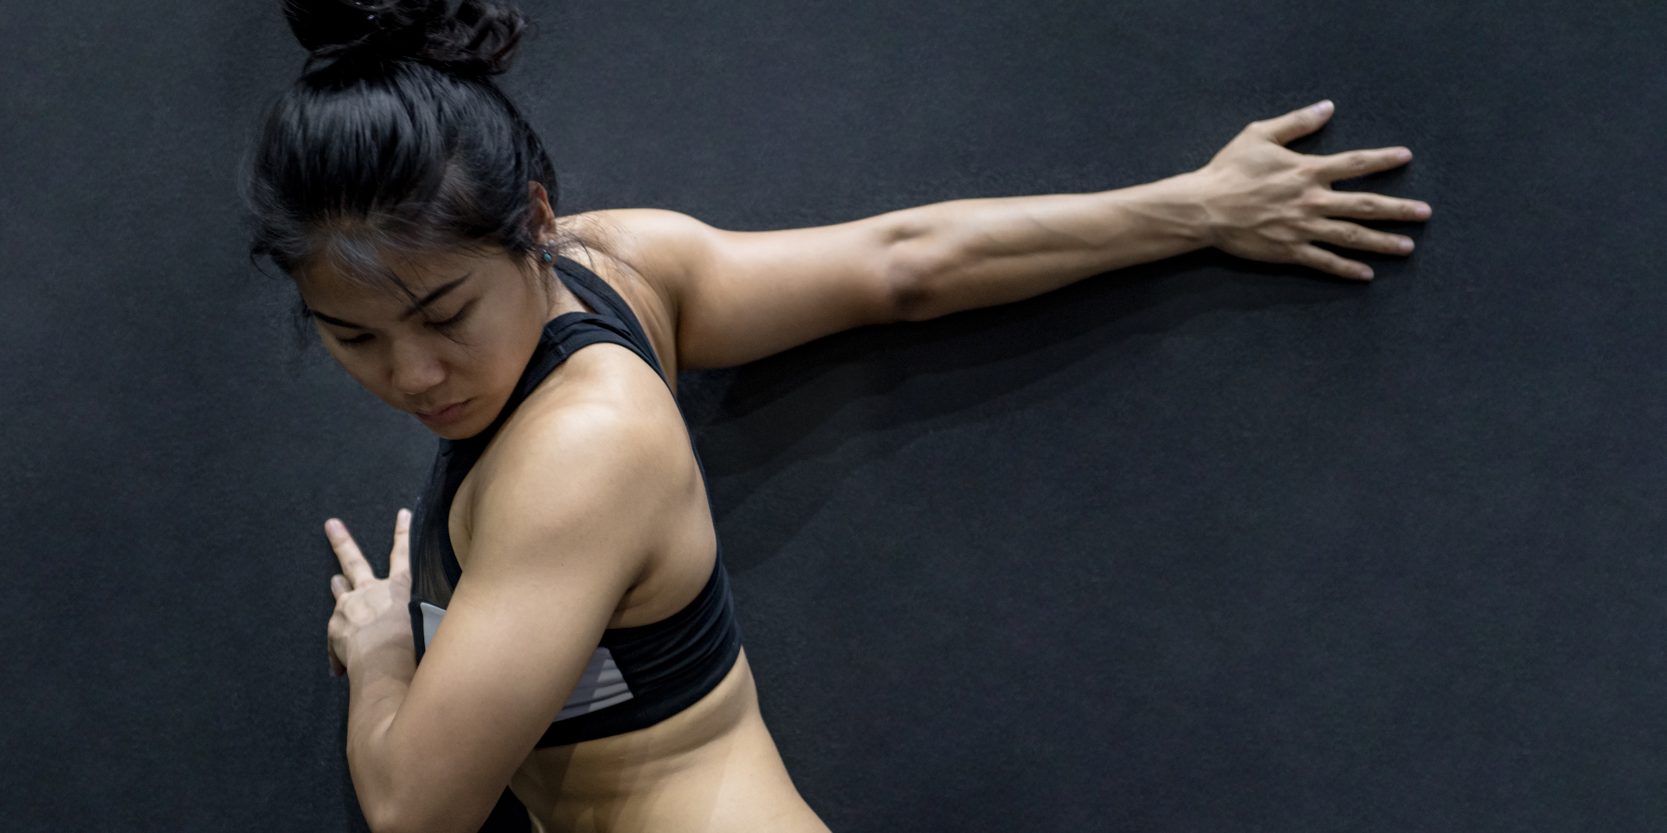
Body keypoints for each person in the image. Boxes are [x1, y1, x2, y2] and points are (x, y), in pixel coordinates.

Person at [242, 2, 1432, 831]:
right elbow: (898, 264)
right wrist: (1189, 209)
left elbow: (414, 805)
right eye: (352, 337)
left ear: (536, 220)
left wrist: (388, 661)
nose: (411, 372)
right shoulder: (623, 264)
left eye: (444, 312)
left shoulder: (579, 451)